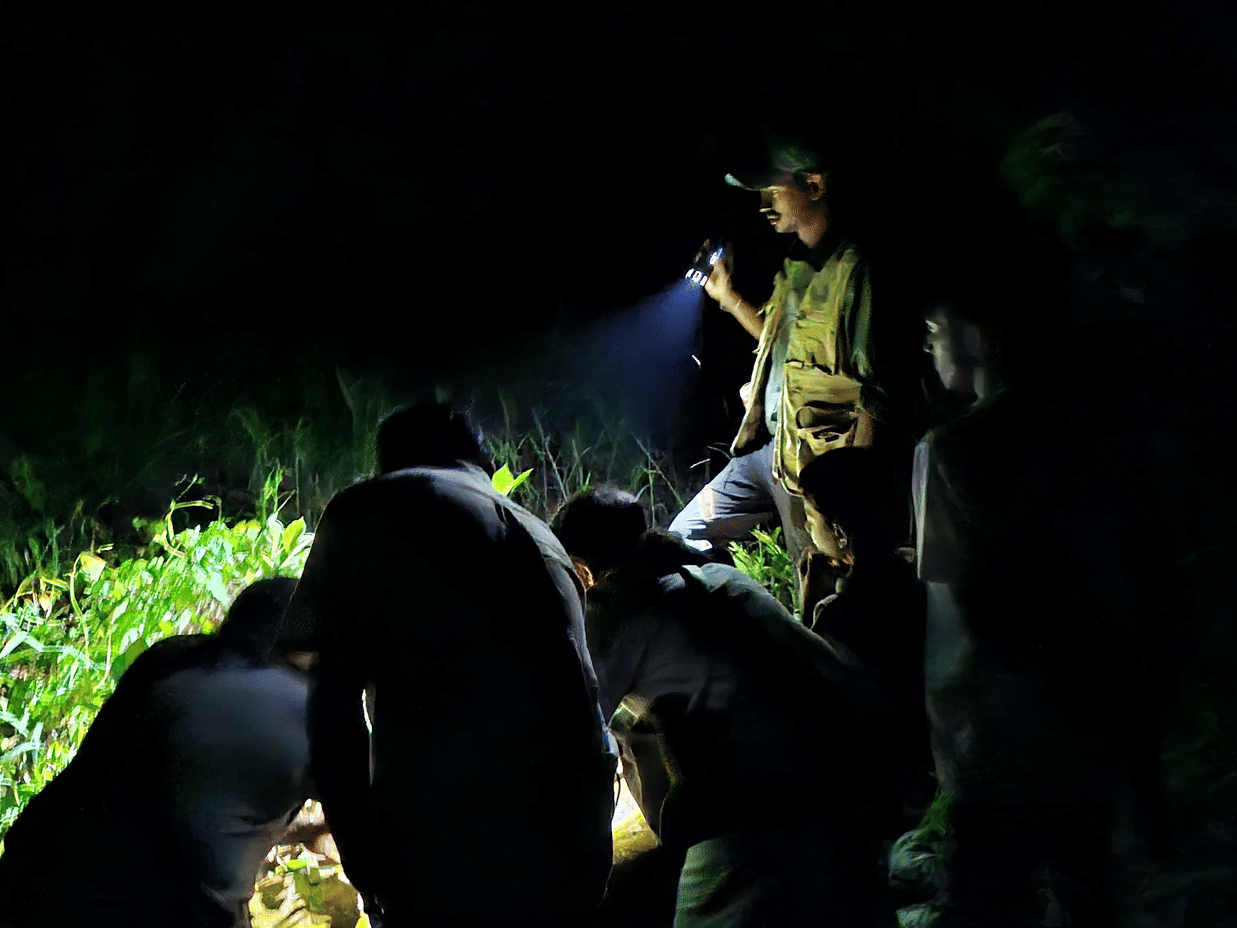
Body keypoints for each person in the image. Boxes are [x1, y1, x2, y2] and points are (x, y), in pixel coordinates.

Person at [279, 403, 616, 928]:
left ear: (386, 462)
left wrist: (361, 852)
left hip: (460, 846)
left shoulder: (374, 507)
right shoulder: (537, 531)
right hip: (576, 836)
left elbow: (334, 703)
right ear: (481, 459)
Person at [554, 485, 902, 928]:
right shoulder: (719, 577)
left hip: (757, 809)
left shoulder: (617, 606)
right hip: (854, 780)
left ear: (582, 568)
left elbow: (577, 727)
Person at [0, 577, 313, 928]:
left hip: (31, 874)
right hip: (135, 909)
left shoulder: (173, 662)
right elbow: (367, 813)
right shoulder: (293, 702)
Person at [669, 132, 913, 580]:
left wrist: (851, 502)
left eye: (774, 191)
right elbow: (781, 342)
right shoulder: (797, 264)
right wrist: (729, 298)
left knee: (820, 579)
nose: (764, 204)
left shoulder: (858, 272)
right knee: (685, 532)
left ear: (815, 186)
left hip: (819, 467)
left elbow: (875, 393)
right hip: (772, 453)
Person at [796, 447, 932, 817]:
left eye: (810, 517)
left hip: (885, 781)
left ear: (839, 531)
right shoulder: (919, 577)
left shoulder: (839, 616)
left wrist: (809, 609)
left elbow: (809, 696)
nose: (807, 527)